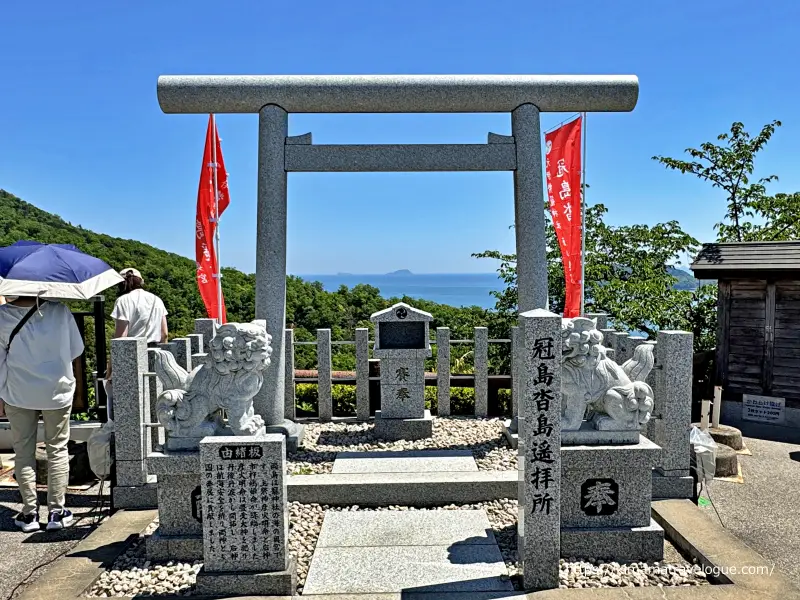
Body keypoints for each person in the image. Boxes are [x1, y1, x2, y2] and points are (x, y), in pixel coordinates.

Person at [0, 297, 84, 532]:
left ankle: (30, 514)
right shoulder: (59, 310)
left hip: (18, 392)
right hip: (56, 391)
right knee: (57, 449)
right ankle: (57, 512)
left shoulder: (2, 314)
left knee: (23, 450)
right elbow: (76, 349)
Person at [105, 268, 168, 381]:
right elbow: (164, 334)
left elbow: (121, 338)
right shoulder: (157, 300)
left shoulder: (123, 300)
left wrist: (111, 367)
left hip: (131, 356)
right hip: (156, 353)